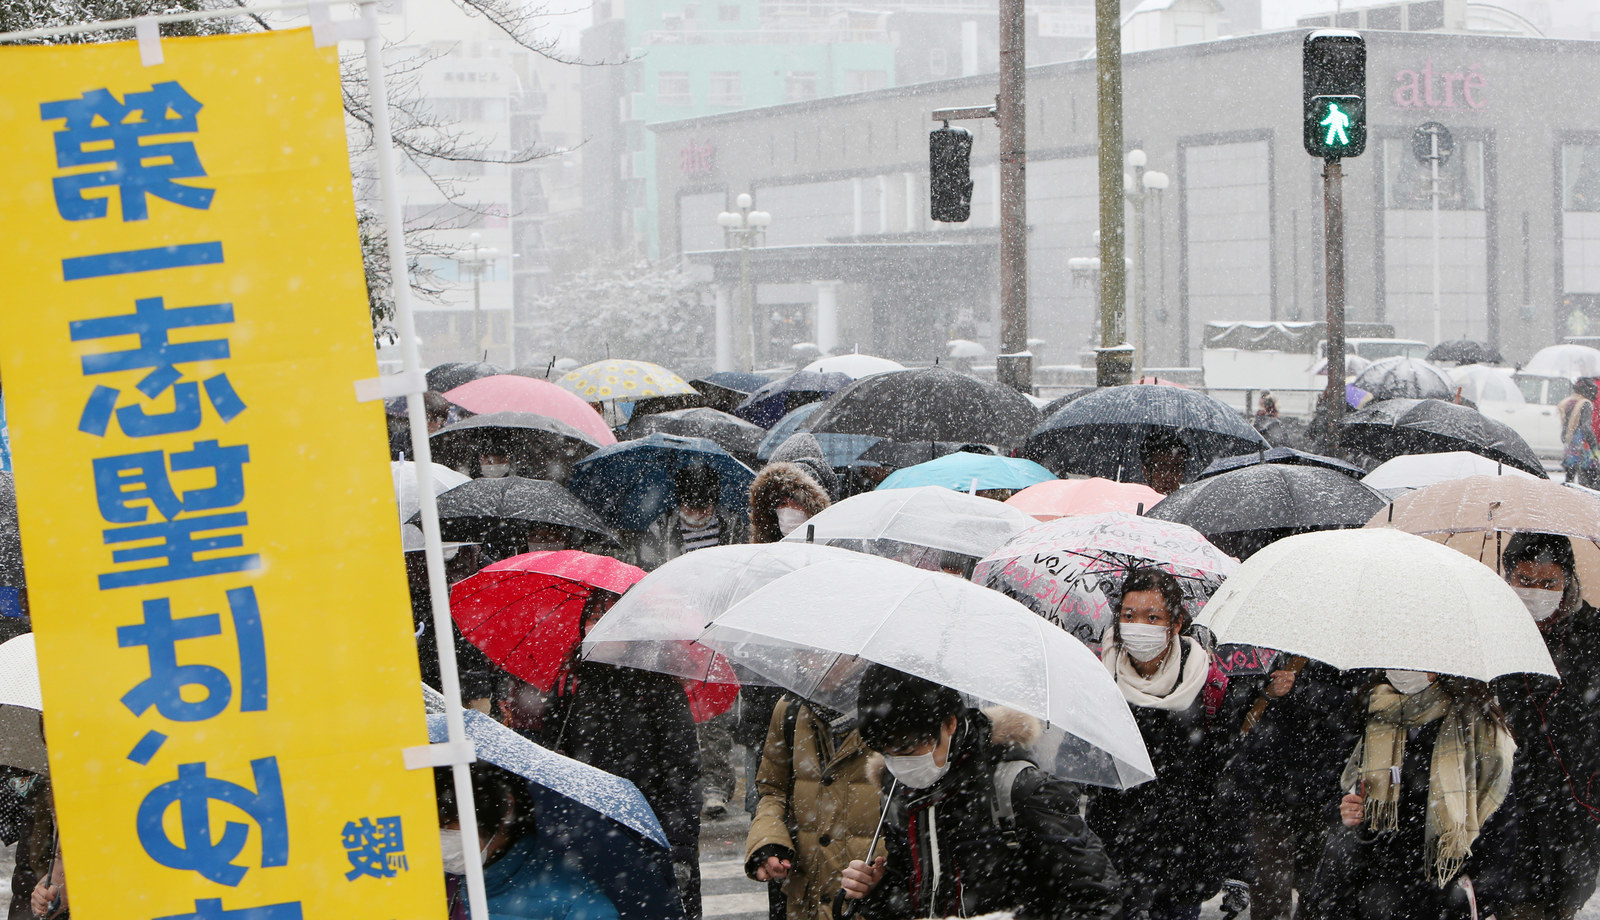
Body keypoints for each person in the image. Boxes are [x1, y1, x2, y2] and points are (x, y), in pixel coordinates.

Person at [840, 664, 1124, 920]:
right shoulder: (898, 794)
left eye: (908, 750)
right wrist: (877, 891)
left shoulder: (1019, 788)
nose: (900, 765)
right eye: (886, 754)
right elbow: (914, 897)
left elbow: (1097, 900)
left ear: (949, 723)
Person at [539, 590, 704, 919]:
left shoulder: (658, 686)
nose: (600, 627)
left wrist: (679, 845)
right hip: (590, 836)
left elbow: (683, 771)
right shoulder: (571, 683)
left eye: (612, 619)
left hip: (650, 833)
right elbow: (553, 757)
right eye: (593, 618)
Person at [1299, 671, 1517, 920]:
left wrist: (1479, 894)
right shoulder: (1375, 709)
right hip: (1377, 890)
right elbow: (1342, 797)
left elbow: (1499, 823)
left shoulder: (1478, 727)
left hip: (1443, 893)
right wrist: (1352, 817)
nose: (1404, 671)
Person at [1089, 569, 1240, 920]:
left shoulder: (1205, 679)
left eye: (1152, 617)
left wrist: (1230, 861)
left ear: (1175, 623)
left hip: (1181, 850)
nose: (1138, 625)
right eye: (1129, 615)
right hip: (1113, 846)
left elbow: (1223, 773)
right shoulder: (1099, 674)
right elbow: (1082, 763)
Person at [1497, 533, 1600, 920]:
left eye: (1548, 583)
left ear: (1566, 581)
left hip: (1575, 803)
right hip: (1507, 801)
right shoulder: (1491, 631)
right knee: (1513, 902)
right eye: (1524, 580)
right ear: (1507, 577)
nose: (1535, 592)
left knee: (1563, 901)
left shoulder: (1593, 633)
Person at [729, 461, 834, 822]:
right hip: (766, 706)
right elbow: (745, 640)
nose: (788, 511)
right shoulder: (757, 565)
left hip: (817, 704)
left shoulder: (833, 565)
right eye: (781, 502)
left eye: (796, 503)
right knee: (771, 806)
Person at [744, 693, 880, 920]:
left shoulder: (895, 707)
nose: (807, 658)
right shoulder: (790, 708)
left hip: (867, 902)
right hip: (805, 900)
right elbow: (773, 791)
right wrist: (769, 840)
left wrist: (884, 872)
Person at [435, 763, 619, 920]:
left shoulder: (577, 907)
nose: (437, 836)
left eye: (448, 823)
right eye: (428, 824)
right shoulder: (424, 880)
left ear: (505, 807)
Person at [627, 465, 744, 572]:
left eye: (704, 508)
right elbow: (647, 567)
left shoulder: (733, 526)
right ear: (680, 503)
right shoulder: (661, 528)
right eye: (690, 508)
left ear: (713, 503)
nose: (697, 515)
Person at [1561, 379, 1599, 486]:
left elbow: (1566, 424)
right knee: (1590, 476)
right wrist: (1593, 445)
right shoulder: (1585, 404)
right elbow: (1586, 427)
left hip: (1571, 444)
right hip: (1582, 444)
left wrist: (1565, 436)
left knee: (1570, 477)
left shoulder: (1571, 402)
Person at [1138, 430, 1191, 495]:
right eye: (1161, 469)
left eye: (1176, 470)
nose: (1169, 478)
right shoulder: (1133, 501)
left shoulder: (1191, 503)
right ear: (1146, 472)